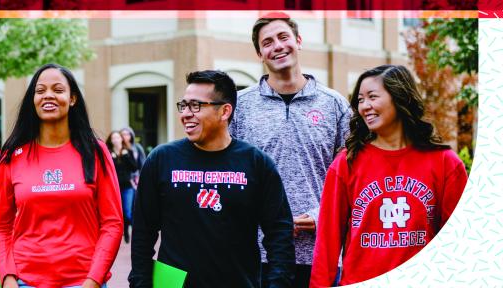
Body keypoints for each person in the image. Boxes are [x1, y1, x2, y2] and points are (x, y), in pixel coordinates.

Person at [128, 70, 295, 288]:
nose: (186, 114)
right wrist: (140, 283)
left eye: (196, 106)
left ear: (225, 111)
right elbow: (143, 232)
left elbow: (279, 234)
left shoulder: (256, 163)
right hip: (172, 284)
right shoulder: (161, 159)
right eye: (184, 105)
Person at [310, 65, 468, 287]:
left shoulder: (445, 162)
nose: (364, 106)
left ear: (399, 98)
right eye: (360, 99)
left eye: (372, 97)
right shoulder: (346, 164)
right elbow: (327, 242)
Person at [229, 12, 351, 287]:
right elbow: (230, 175)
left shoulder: (335, 105)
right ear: (260, 53)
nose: (278, 46)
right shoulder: (240, 106)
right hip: (257, 252)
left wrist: (321, 215)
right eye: (268, 42)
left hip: (320, 252)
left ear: (298, 41)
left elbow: (351, 175)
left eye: (283, 37)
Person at [0, 63, 123, 288]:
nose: (48, 96)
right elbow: (0, 226)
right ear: (32, 100)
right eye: (40, 91)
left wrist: (93, 280)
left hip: (83, 281)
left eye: (58, 90)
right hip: (26, 281)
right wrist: (8, 278)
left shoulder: (95, 151)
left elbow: (112, 223)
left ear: (72, 99)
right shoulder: (13, 155)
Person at [106, 130, 137, 243]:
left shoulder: (127, 152)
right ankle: (121, 233)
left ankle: (127, 231)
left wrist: (125, 156)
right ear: (111, 141)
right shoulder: (108, 153)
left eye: (117, 137)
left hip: (127, 186)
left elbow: (134, 167)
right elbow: (107, 170)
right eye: (113, 138)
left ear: (121, 139)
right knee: (118, 212)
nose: (115, 140)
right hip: (114, 187)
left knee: (128, 212)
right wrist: (112, 158)